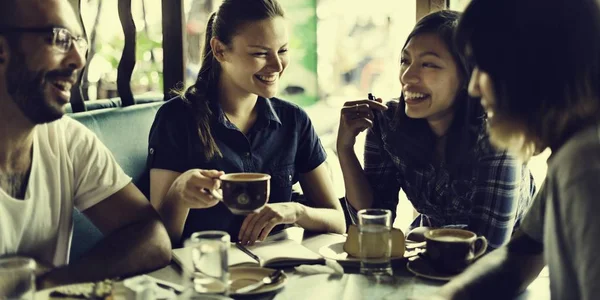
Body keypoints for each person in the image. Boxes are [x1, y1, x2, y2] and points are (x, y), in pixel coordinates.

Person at [428, 0, 600, 299]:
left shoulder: (585, 163)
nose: (474, 88)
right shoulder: (572, 152)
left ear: (526, 69)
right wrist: (447, 296)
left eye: (483, 67)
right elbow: (518, 258)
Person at [0, 0, 171, 290]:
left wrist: (47, 282)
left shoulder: (66, 139)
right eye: (60, 39)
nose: (78, 59)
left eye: (79, 41)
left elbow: (153, 237)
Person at [148, 0, 345, 247]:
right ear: (220, 50)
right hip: (207, 273)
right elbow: (157, 243)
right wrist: (179, 194)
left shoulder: (294, 121)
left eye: (282, 50)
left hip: (279, 273)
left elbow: (338, 221)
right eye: (260, 53)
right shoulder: (176, 119)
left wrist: (295, 212)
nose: (277, 65)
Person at [336, 10, 535, 250]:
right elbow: (371, 226)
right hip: (430, 259)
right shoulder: (388, 125)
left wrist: (421, 234)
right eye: (405, 60)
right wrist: (345, 149)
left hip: (506, 270)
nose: (407, 76)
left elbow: (486, 247)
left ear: (467, 77)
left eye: (429, 64)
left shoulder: (498, 138)